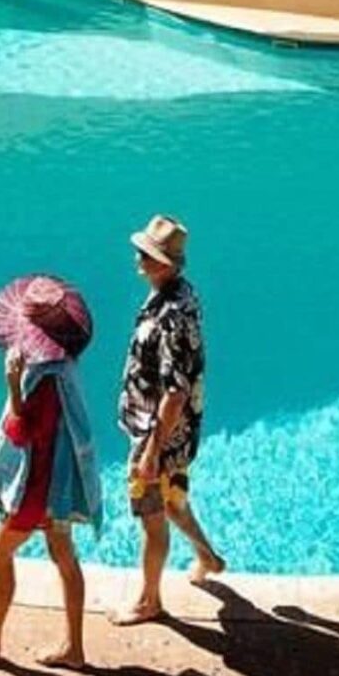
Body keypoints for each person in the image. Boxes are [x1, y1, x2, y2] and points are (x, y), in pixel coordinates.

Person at [0, 277, 101, 669]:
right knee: (65, 557)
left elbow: (23, 432)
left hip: (37, 489)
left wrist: (12, 387)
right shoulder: (65, 367)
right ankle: (74, 647)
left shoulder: (43, 380)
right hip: (59, 483)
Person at [114, 214, 225, 627]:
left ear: (165, 263)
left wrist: (151, 451)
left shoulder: (171, 317)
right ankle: (208, 557)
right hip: (175, 436)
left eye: (145, 254)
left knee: (152, 518)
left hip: (157, 437)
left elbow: (175, 392)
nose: (137, 259)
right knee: (175, 501)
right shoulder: (180, 294)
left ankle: (149, 601)